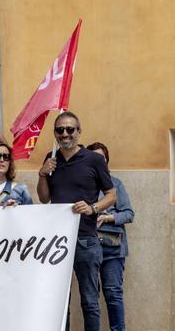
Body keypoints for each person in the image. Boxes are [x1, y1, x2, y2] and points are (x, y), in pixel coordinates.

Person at [37, 111, 116, 331]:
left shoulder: (95, 160)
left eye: (70, 129)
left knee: (90, 301)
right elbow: (44, 199)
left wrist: (92, 208)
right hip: (58, 242)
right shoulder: (50, 158)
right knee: (60, 302)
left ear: (79, 132)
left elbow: (112, 195)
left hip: (86, 240)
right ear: (55, 133)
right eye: (60, 130)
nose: (65, 134)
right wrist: (42, 174)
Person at [86, 141, 133, 331]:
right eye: (95, 158)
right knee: (91, 296)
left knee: (113, 294)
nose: (99, 162)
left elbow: (129, 213)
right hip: (88, 247)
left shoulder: (116, 184)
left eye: (102, 158)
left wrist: (109, 217)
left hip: (113, 249)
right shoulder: (83, 183)